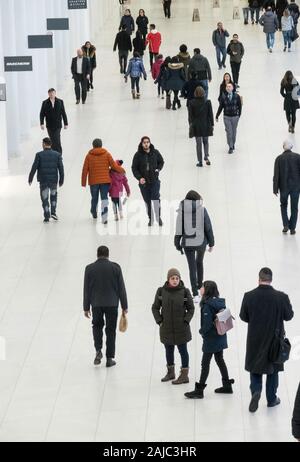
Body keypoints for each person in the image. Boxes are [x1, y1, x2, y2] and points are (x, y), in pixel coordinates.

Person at [240, 267, 294, 413]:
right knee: (273, 369)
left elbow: (243, 317)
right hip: (274, 339)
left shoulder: (249, 296)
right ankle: (271, 399)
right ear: (271, 280)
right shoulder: (281, 297)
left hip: (255, 338)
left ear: (259, 279)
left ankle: (256, 391)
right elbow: (289, 316)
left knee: (255, 367)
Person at [185, 281, 234, 399]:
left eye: (202, 286)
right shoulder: (219, 302)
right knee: (219, 359)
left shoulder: (207, 305)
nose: (200, 288)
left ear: (206, 290)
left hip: (211, 339)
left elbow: (206, 326)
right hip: (220, 336)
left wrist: (201, 332)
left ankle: (199, 390)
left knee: (205, 364)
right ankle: (227, 385)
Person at [83, 246, 128, 368]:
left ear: (97, 255)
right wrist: (125, 305)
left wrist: (86, 307)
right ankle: (109, 358)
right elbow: (121, 288)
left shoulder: (89, 269)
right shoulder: (115, 268)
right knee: (110, 330)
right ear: (108, 255)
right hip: (112, 304)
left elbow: (86, 289)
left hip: (96, 304)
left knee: (97, 326)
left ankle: (98, 350)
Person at [152, 268, 194, 385]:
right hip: (166, 328)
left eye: (177, 278)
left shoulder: (185, 291)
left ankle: (184, 375)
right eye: (172, 278)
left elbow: (191, 308)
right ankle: (171, 373)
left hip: (182, 328)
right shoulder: (161, 291)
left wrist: (186, 321)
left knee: (183, 351)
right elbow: (155, 307)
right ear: (168, 279)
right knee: (168, 350)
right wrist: (160, 321)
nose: (175, 280)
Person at [174, 190, 215, 303]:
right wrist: (211, 243)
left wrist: (177, 244)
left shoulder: (181, 211)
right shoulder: (202, 210)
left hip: (188, 244)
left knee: (192, 267)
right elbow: (208, 227)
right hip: (201, 242)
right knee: (199, 262)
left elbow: (178, 230)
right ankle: (200, 286)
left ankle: (195, 294)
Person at [81, 139, 125, 222]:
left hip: (93, 181)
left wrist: (83, 182)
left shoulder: (89, 156)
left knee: (94, 198)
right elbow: (114, 166)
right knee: (104, 198)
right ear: (101, 145)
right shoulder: (107, 154)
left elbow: (84, 169)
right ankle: (104, 217)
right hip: (105, 181)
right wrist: (122, 170)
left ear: (93, 145)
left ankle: (93, 211)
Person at [28, 138, 64, 222]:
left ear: (44, 144)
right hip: (53, 180)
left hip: (43, 181)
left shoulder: (39, 155)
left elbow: (34, 167)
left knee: (44, 198)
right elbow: (61, 169)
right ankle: (53, 212)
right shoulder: (57, 155)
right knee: (53, 196)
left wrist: (30, 178)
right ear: (50, 144)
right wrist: (61, 180)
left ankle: (47, 215)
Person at [132, 136, 164, 226]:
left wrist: (158, 169)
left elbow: (161, 161)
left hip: (154, 181)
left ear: (149, 143)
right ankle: (151, 218)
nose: (146, 144)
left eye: (147, 142)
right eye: (144, 142)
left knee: (156, 199)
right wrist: (139, 178)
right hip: (144, 184)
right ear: (142, 144)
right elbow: (134, 168)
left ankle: (158, 217)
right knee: (148, 201)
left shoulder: (155, 152)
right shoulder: (138, 155)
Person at [273, 140, 300, 234]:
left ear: (283, 147)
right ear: (291, 147)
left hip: (284, 186)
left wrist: (275, 188)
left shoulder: (279, 159)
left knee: (283, 205)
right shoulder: (298, 157)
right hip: (296, 187)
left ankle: (285, 225)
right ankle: (292, 228)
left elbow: (276, 175)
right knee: (294, 207)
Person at [188, 86, 214, 167]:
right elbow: (210, 114)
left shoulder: (191, 102)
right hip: (206, 124)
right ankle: (206, 156)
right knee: (206, 142)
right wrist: (212, 124)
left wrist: (190, 124)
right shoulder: (207, 102)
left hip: (196, 126)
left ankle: (200, 161)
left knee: (198, 144)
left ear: (195, 93)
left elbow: (190, 116)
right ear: (203, 92)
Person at [39, 88, 68, 154]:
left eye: (53, 93)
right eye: (50, 93)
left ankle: (59, 154)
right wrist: (42, 123)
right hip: (49, 125)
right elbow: (42, 113)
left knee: (57, 140)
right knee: (51, 140)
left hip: (58, 125)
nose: (51, 94)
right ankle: (53, 154)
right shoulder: (45, 103)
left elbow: (63, 113)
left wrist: (66, 123)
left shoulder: (60, 101)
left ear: (55, 93)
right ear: (48, 94)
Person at [216, 83, 242, 154]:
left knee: (234, 132)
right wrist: (217, 115)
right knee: (229, 132)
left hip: (235, 117)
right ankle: (230, 146)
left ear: (233, 88)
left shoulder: (237, 96)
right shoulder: (223, 97)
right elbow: (221, 107)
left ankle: (233, 143)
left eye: (229, 86)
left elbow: (240, 106)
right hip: (226, 117)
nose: (228, 87)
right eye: (227, 86)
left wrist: (238, 115)